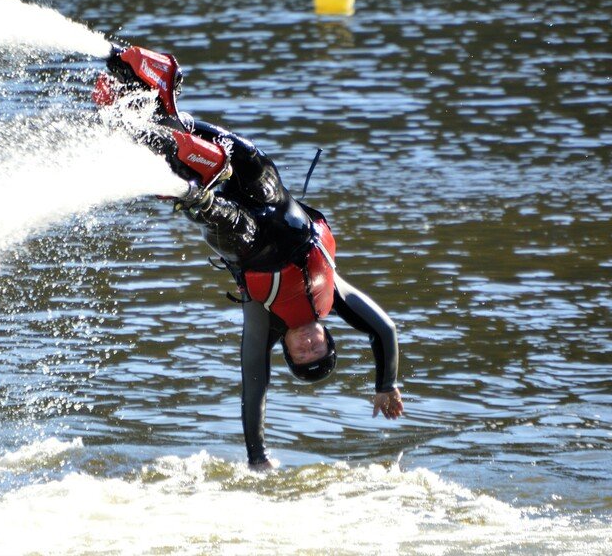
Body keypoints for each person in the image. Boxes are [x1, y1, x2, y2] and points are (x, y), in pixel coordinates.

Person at [94, 44, 404, 468]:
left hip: (241, 232)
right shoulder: (333, 296)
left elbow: (254, 389)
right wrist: (386, 384)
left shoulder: (266, 321)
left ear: (289, 353)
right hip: (265, 188)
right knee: (224, 150)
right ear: (327, 337)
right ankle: (150, 91)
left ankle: (153, 156)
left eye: (303, 354)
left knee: (220, 210)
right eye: (319, 347)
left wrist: (257, 457)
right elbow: (383, 331)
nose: (310, 344)